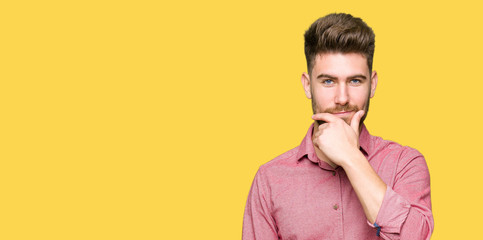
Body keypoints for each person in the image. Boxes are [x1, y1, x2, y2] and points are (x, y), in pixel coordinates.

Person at [242, 13, 433, 240]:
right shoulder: (269, 180)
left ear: (372, 85)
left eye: (355, 81)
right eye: (328, 81)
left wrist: (351, 158)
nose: (342, 98)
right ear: (307, 85)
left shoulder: (405, 164)